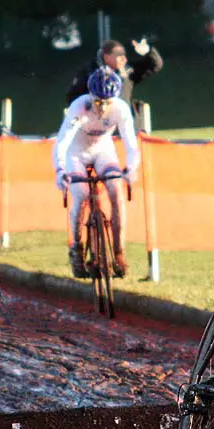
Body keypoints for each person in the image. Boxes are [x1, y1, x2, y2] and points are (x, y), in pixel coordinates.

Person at [54, 67, 139, 279]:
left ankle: (119, 252)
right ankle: (76, 249)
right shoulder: (79, 107)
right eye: (98, 102)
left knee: (116, 193)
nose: (102, 107)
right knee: (81, 195)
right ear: (91, 97)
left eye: (107, 102)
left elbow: (131, 143)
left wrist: (130, 168)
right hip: (77, 153)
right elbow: (62, 141)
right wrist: (60, 169)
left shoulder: (120, 109)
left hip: (103, 151)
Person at [65, 38, 164, 113]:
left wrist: (147, 51)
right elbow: (72, 98)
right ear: (107, 57)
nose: (124, 59)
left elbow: (155, 65)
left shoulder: (127, 71)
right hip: (94, 124)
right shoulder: (88, 71)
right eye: (119, 55)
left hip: (121, 123)